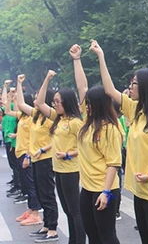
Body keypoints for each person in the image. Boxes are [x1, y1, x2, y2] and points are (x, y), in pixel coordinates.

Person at [90, 40, 148, 244]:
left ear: (146, 87)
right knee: (145, 239)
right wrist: (101, 56)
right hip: (138, 190)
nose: (130, 87)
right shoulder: (136, 110)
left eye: (134, 83)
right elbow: (109, 90)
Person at [69, 44, 123, 244]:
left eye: (90, 104)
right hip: (88, 188)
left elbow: (113, 163)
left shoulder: (109, 129)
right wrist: (77, 59)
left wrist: (106, 192)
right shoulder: (87, 123)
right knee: (92, 234)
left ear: (98, 104)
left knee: (106, 235)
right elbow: (82, 87)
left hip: (104, 189)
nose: (86, 106)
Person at [36, 70, 86, 244]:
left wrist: (68, 154)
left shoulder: (75, 122)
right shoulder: (58, 119)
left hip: (71, 170)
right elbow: (39, 102)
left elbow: (85, 147)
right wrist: (47, 79)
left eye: (58, 101)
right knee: (67, 210)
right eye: (54, 101)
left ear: (67, 102)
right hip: (58, 169)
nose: (55, 104)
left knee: (75, 210)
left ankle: (79, 240)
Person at [17, 74, 60, 242]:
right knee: (42, 194)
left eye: (38, 98)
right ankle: (46, 225)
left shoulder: (51, 117)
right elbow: (20, 104)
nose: (35, 101)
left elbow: (54, 141)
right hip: (36, 159)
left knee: (48, 194)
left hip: (46, 159)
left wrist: (46, 79)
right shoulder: (36, 115)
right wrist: (19, 84)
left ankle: (53, 230)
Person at [3, 90, 43, 225]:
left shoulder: (32, 118)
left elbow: (32, 139)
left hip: (27, 154)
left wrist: (27, 155)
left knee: (31, 185)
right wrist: (10, 98)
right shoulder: (23, 116)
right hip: (19, 153)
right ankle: (31, 210)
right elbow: (8, 111)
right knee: (26, 184)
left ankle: (36, 214)